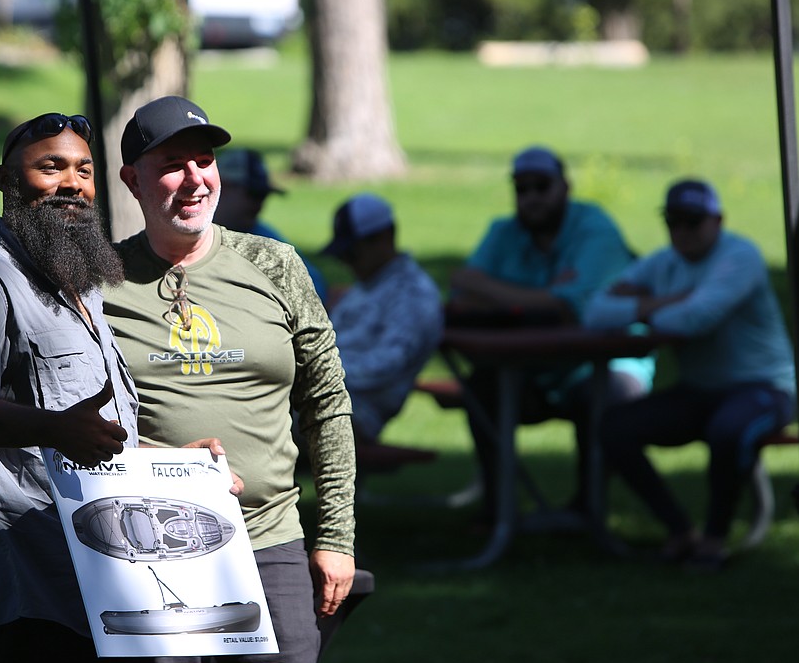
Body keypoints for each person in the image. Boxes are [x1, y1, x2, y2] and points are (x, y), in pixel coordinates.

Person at [0, 112, 227, 663]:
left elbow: (92, 434)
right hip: (26, 590)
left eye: (84, 170)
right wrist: (53, 429)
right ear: (7, 180)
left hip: (106, 588)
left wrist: (174, 468)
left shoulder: (84, 285)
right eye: (50, 166)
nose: (73, 184)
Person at [103, 95, 356, 663]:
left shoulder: (275, 264)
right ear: (132, 179)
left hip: (271, 539)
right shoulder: (98, 282)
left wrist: (335, 536)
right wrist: (158, 461)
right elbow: (66, 418)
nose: (195, 178)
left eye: (205, 161)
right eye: (172, 164)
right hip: (149, 546)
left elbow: (327, 404)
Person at [584, 178, 796, 569]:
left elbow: (695, 319)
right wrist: (665, 303)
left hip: (764, 387)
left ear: (718, 220)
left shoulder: (740, 257)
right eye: (672, 221)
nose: (682, 231)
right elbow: (594, 311)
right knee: (614, 427)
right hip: (699, 390)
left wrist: (644, 309)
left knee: (728, 429)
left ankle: (714, 539)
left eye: (692, 221)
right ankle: (680, 530)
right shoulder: (664, 263)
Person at [449, 145, 653, 522]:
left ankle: (589, 513)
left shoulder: (595, 229)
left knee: (606, 397)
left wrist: (496, 293)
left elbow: (565, 309)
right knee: (482, 389)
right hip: (534, 365)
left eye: (541, 186)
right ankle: (500, 509)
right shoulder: (504, 231)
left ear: (565, 186)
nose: (531, 198)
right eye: (521, 189)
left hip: (607, 362)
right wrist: (539, 300)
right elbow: (462, 290)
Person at [321, 192, 443, 446]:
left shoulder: (413, 295)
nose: (347, 263)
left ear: (384, 238)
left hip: (354, 412)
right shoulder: (369, 283)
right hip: (319, 396)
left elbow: (388, 366)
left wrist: (314, 373)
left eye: (351, 253)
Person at [214, 146, 329, 302]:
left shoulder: (263, 235)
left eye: (263, 196)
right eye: (253, 194)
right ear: (223, 186)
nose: (259, 205)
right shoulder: (188, 233)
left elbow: (315, 286)